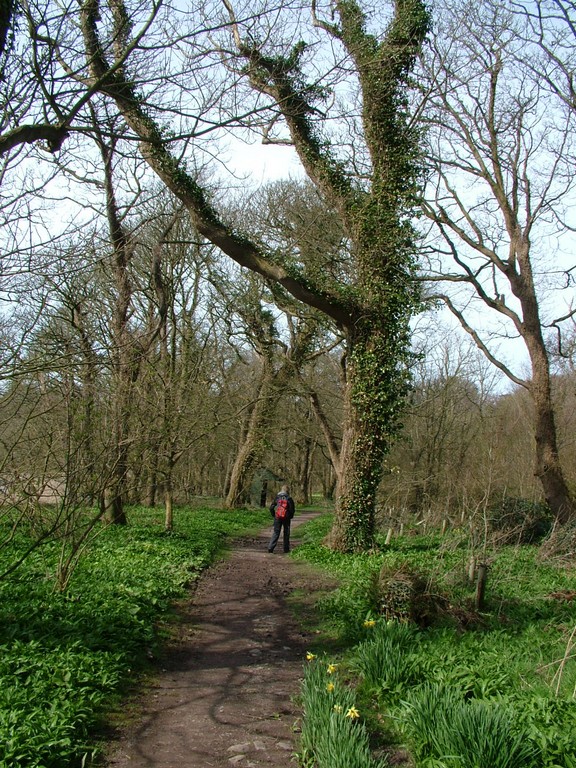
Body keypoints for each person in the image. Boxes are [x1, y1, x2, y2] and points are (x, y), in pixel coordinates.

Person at [267, 484, 295, 553]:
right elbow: (292, 509)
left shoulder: (277, 497)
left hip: (278, 517)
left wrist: (274, 515)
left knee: (276, 532)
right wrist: (290, 516)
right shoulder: (289, 498)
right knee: (286, 533)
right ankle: (286, 549)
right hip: (286, 518)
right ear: (288, 491)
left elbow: (271, 507)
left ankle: (270, 547)